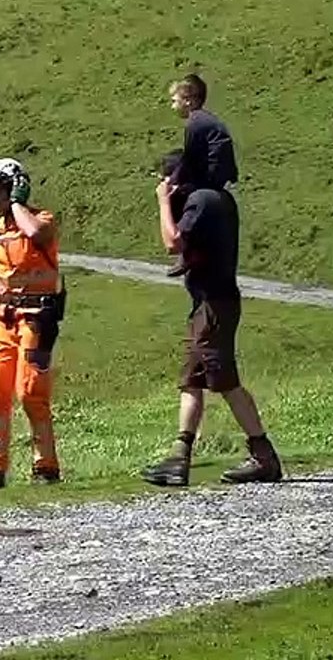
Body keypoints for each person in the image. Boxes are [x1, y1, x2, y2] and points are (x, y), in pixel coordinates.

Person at [141, 151, 284, 487]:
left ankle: (264, 457)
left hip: (214, 306)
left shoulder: (203, 201)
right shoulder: (214, 198)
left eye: (165, 179)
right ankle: (179, 458)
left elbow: (172, 242)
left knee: (225, 381)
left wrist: (163, 203)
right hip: (207, 304)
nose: (162, 185)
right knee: (192, 380)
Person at [0, 158, 66, 488]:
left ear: (16, 186)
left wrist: (19, 202)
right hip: (3, 321)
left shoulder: (43, 220)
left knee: (31, 391)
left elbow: (34, 233)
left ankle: (45, 466)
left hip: (37, 319)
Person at [165, 73, 239, 277]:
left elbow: (189, 158)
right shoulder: (205, 119)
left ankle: (188, 250)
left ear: (188, 100)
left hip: (211, 177)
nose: (173, 106)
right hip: (219, 174)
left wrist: (172, 183)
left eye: (175, 101)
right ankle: (193, 250)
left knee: (176, 197)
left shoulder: (195, 123)